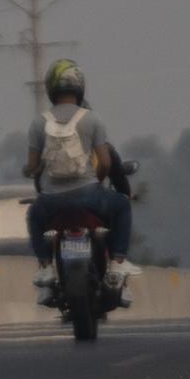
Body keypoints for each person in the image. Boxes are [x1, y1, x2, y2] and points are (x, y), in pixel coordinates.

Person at [23, 59, 134, 290]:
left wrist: (31, 169)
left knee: (33, 215)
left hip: (51, 201)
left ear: (51, 88)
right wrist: (97, 181)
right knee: (122, 205)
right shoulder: (92, 119)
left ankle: (45, 266)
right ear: (80, 86)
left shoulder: (38, 122)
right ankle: (116, 263)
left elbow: (32, 167)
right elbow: (105, 161)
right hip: (90, 195)